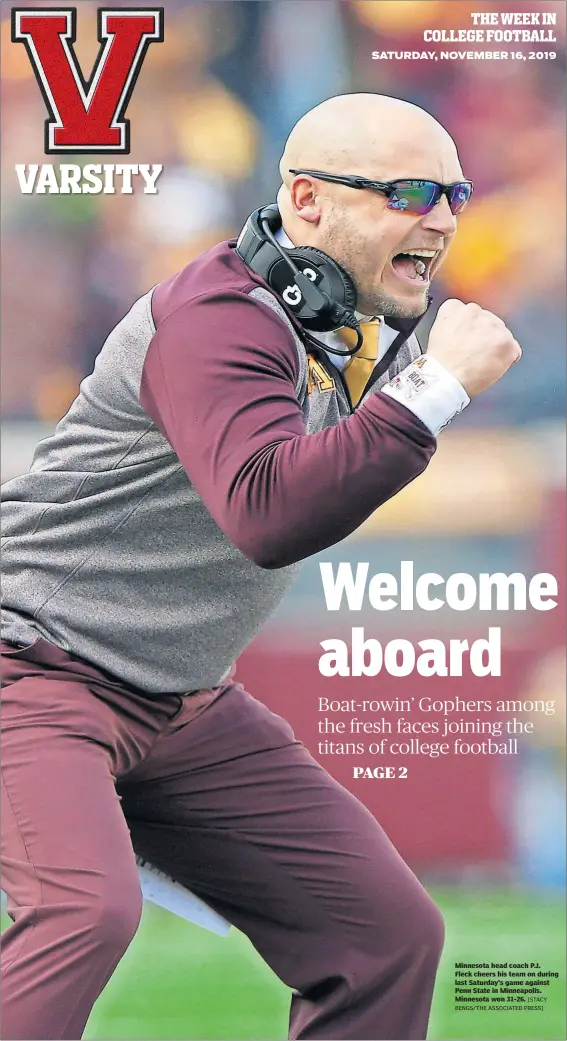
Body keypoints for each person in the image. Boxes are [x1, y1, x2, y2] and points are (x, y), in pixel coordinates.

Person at [1, 93, 520, 1041]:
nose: (442, 217)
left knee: (384, 936)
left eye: (452, 189)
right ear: (307, 202)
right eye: (406, 191)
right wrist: (433, 391)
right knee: (83, 911)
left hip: (178, 698)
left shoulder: (353, 322)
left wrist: (417, 388)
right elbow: (268, 512)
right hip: (27, 668)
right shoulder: (216, 315)